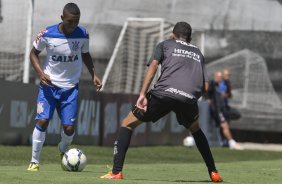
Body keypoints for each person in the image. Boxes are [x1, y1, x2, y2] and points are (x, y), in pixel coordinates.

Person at [100, 22, 222, 182]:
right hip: (188, 98)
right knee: (195, 129)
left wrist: (142, 94)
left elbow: (153, 67)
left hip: (163, 94)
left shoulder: (165, 44)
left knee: (127, 123)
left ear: (172, 34)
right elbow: (205, 85)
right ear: (190, 38)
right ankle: (213, 172)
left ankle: (116, 172)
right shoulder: (198, 53)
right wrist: (190, 98)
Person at [27, 3, 102, 171]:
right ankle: (34, 161)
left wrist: (94, 74)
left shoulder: (83, 34)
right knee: (43, 120)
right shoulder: (47, 33)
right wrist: (40, 73)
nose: (73, 25)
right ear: (62, 18)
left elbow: (86, 54)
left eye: (76, 22)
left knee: (69, 128)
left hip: (70, 88)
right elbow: (33, 54)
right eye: (69, 22)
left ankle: (63, 149)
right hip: (49, 86)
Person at [208, 71, 243, 150]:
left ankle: (226, 141)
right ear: (215, 76)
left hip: (224, 108)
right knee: (224, 125)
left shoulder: (222, 85)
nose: (219, 78)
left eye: (220, 77)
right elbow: (207, 92)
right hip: (217, 110)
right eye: (217, 76)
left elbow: (228, 94)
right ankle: (231, 142)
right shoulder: (212, 84)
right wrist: (209, 100)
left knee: (236, 115)